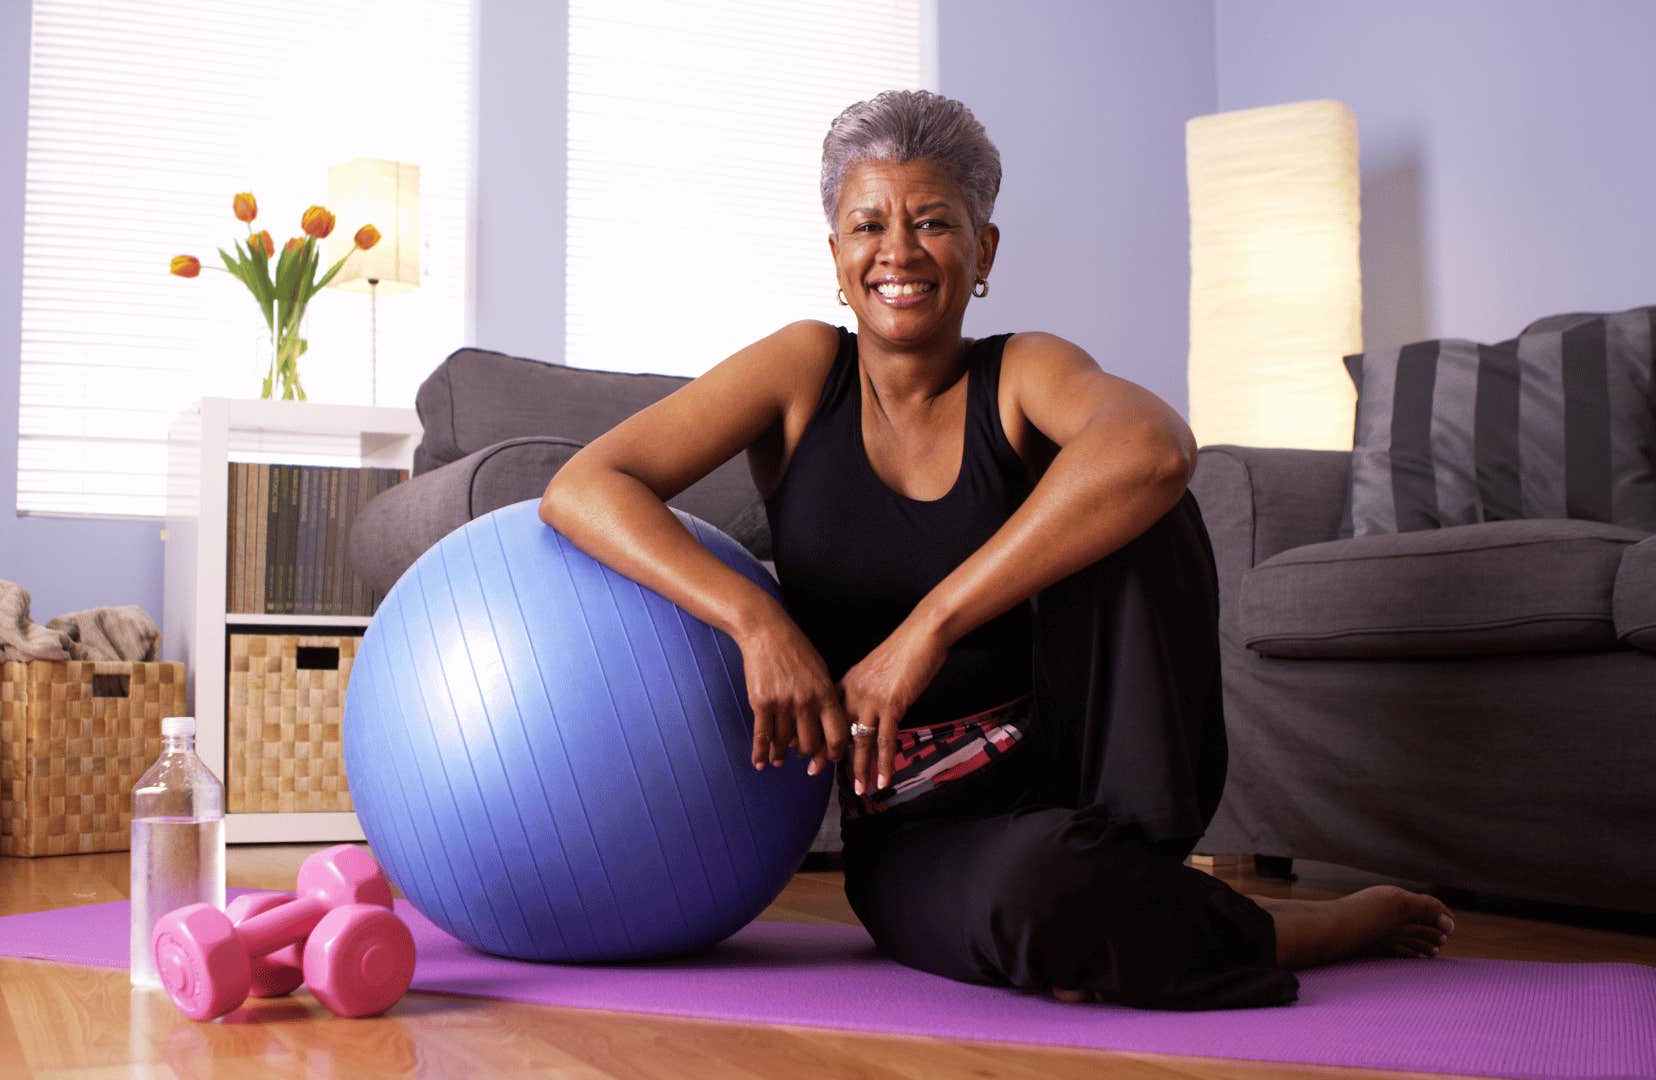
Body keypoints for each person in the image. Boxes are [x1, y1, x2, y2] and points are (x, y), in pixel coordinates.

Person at [538, 89, 1454, 1010]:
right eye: (869, 225)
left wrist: (927, 628)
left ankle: (1180, 895)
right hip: (918, 823)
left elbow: (1157, 447)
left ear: (983, 250)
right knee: (1038, 903)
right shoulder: (801, 369)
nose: (898, 252)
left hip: (1093, 768)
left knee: (1137, 493)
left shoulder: (1020, 372)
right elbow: (586, 486)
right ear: (835, 255)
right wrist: (756, 619)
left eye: (933, 221)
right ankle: (1272, 926)